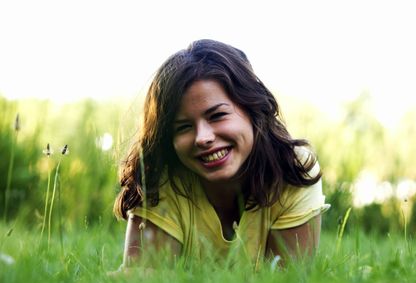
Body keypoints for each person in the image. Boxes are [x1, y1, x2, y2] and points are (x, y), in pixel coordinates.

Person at [113, 39, 329, 268]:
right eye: (183, 127)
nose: (202, 137)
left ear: (253, 109)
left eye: (217, 116)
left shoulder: (292, 169)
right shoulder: (161, 179)